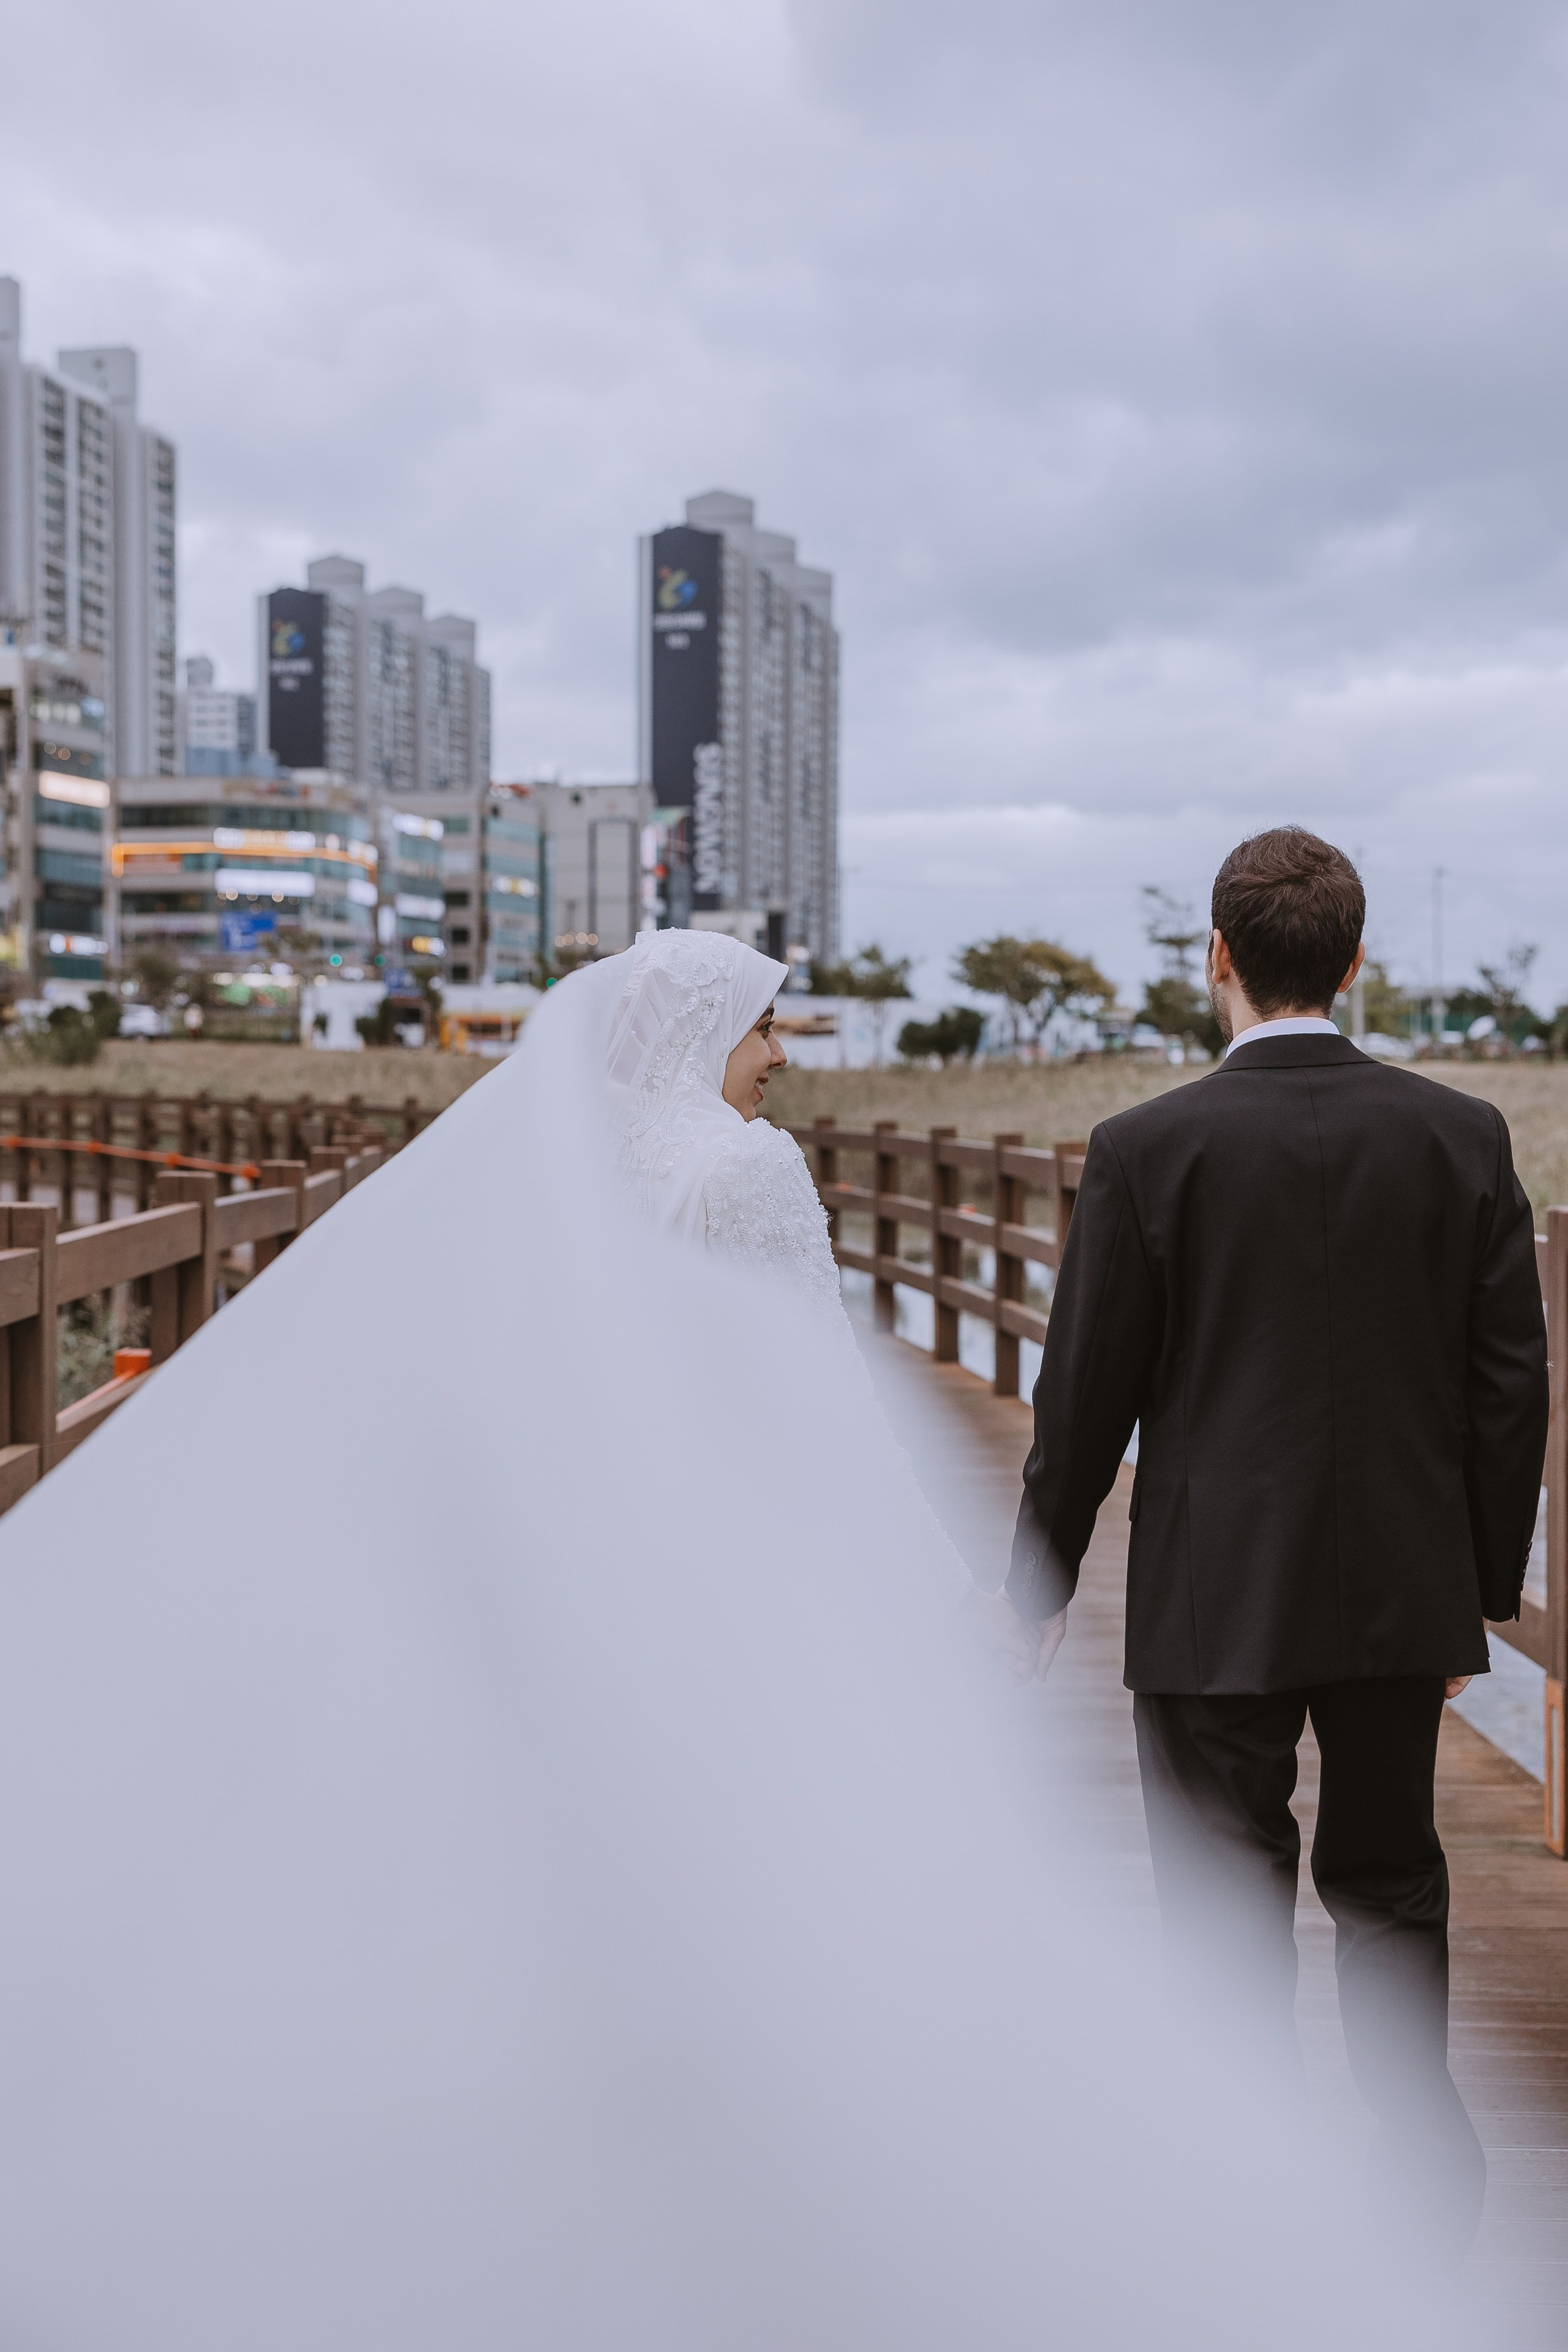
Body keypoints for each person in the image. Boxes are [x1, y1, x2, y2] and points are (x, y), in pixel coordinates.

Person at [992, 825, 1548, 2246]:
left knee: (1218, 1891)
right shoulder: (1456, 1133)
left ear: (1216, 960)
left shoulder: (1143, 1147)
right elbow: (1506, 1381)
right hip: (1395, 1587)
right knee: (1386, 1877)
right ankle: (1422, 2190)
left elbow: (1083, 1385)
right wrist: (1475, 1589)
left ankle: (1233, 2200)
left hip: (1206, 1590)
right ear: (1355, 962)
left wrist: (1038, 1575)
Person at [607, 927, 845, 1318]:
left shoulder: (589, 1153)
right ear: (706, 1037)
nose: (779, 1055)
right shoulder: (748, 1161)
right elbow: (809, 1343)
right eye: (763, 1029)